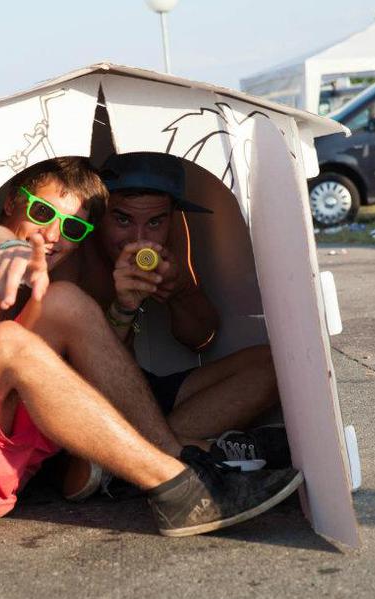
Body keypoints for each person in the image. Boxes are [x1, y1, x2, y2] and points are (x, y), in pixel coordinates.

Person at [0, 156, 303, 537]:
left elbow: (202, 338)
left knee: (62, 300)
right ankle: (179, 468)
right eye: (42, 212)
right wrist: (2, 248)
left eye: (72, 226)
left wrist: (172, 292)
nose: (52, 234)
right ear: (13, 201)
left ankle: (179, 471)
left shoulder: (65, 269)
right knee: (9, 340)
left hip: (4, 464)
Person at [53, 152, 288, 497]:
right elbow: (67, 378)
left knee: (276, 365)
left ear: (170, 216)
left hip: (141, 391)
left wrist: (179, 292)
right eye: (122, 219)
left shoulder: (169, 239)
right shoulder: (73, 244)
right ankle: (191, 453)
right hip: (86, 399)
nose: (138, 237)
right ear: (100, 213)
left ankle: (129, 461)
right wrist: (123, 309)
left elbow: (201, 339)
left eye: (155, 222)